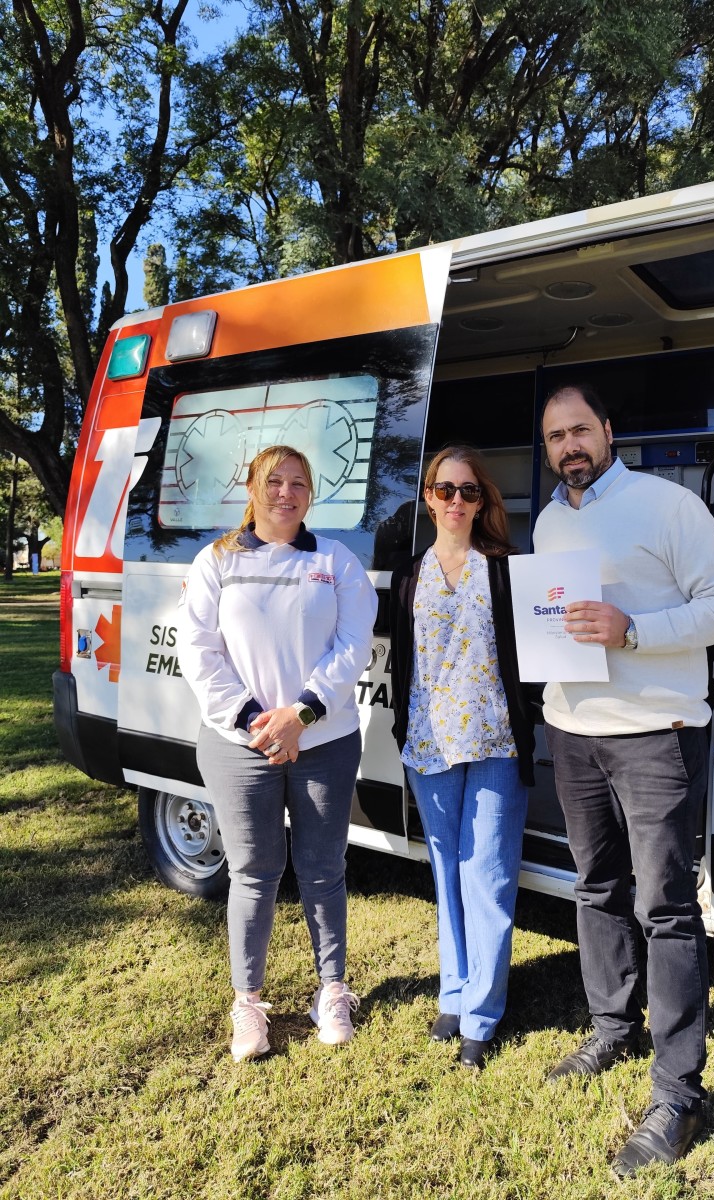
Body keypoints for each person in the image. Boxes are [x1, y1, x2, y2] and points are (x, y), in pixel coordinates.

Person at [534, 384, 714, 1176]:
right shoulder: (552, 518)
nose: (569, 447)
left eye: (580, 430)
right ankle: (611, 1028)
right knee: (595, 888)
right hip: (574, 732)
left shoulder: (667, 507)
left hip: (657, 737)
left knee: (663, 906)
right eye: (556, 436)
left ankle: (677, 1090)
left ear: (609, 431)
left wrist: (635, 630)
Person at [177, 444, 377, 1062]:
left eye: (297, 484)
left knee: (324, 871)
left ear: (311, 494)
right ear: (253, 486)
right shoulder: (217, 561)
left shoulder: (336, 560)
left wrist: (302, 713)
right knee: (254, 875)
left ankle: (332, 990)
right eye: (274, 481)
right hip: (240, 745)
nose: (285, 493)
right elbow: (198, 649)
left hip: (323, 738)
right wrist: (253, 720)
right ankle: (249, 1003)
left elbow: (353, 644)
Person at [390, 445, 535, 1070]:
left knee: (490, 877)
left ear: (483, 503)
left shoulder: (505, 569)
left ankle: (481, 1012)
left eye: (469, 492)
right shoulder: (407, 575)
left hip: (497, 743)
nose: (456, 501)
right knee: (445, 871)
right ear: (428, 497)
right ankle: (453, 992)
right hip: (429, 744)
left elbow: (534, 647)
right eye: (445, 490)